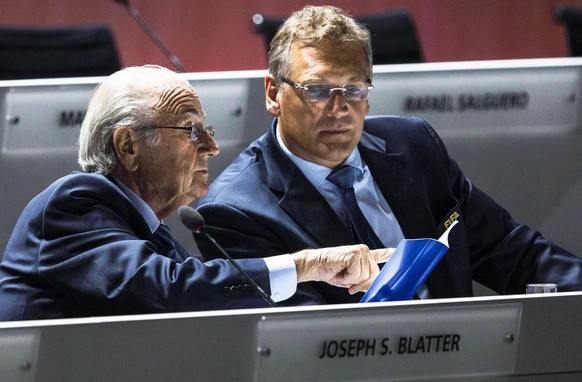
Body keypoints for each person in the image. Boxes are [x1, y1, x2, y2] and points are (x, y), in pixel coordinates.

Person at [195, 5, 582, 305]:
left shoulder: (412, 146)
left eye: (354, 89)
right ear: (273, 94)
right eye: (317, 89)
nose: (339, 107)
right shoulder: (234, 212)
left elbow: (509, 251)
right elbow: (303, 342)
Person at [0, 65, 392, 321]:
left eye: (207, 129)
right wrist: (307, 265)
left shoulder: (150, 231)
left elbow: (208, 306)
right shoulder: (75, 203)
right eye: (191, 130)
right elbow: (173, 291)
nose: (211, 145)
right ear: (128, 147)